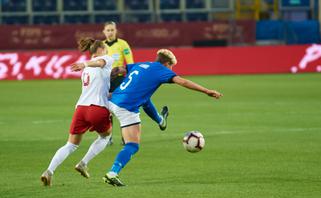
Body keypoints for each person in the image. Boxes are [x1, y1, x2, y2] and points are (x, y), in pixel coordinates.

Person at [103, 49, 223, 186]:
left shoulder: (142, 64)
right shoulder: (161, 70)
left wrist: (106, 85)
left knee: (145, 99)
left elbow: (118, 70)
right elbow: (182, 82)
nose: (171, 70)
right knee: (132, 145)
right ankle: (112, 173)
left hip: (111, 100)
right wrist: (206, 91)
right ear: (166, 64)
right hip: (126, 107)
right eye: (171, 66)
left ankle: (161, 120)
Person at [40, 38, 114, 186]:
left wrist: (85, 64)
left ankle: (49, 171)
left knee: (70, 144)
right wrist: (85, 63)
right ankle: (83, 163)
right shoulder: (105, 59)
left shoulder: (86, 70)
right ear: (101, 50)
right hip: (97, 108)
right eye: (105, 49)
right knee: (106, 137)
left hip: (81, 109)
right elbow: (100, 63)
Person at [103, 21, 169, 144]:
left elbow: (130, 63)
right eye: (108, 30)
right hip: (106, 80)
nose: (110, 32)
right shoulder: (101, 46)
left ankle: (125, 137)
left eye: (112, 30)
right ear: (104, 31)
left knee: (127, 106)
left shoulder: (123, 44)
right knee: (107, 109)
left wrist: (128, 77)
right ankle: (108, 137)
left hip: (120, 79)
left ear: (116, 31)